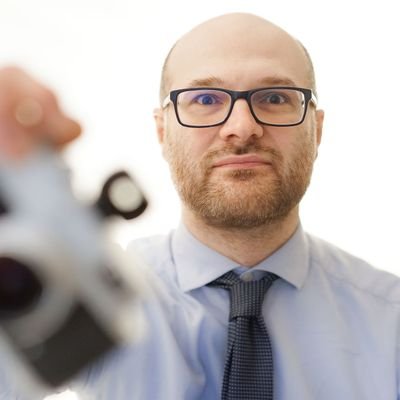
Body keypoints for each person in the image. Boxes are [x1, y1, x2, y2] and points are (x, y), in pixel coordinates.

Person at [1, 12, 400, 400]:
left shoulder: (390, 322)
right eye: (205, 98)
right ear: (162, 130)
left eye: (275, 97)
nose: (242, 127)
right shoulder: (74, 295)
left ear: (317, 130)